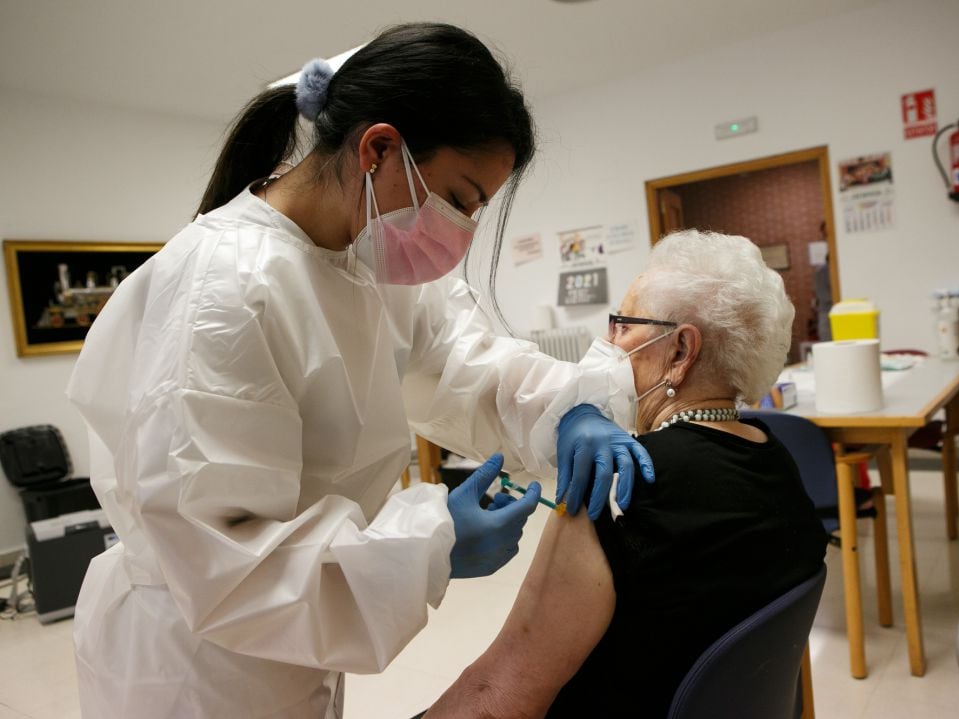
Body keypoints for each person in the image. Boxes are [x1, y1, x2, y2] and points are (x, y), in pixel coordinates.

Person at [66, 23, 653, 719]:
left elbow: (462, 363)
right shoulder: (223, 290)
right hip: (189, 670)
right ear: (378, 148)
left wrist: (568, 408)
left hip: (289, 651)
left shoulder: (369, 261)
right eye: (460, 199)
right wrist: (430, 546)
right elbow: (224, 566)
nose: (462, 229)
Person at [426, 230, 829, 718]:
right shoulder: (778, 457)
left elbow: (500, 694)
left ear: (680, 351)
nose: (606, 342)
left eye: (621, 324)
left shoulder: (618, 484)